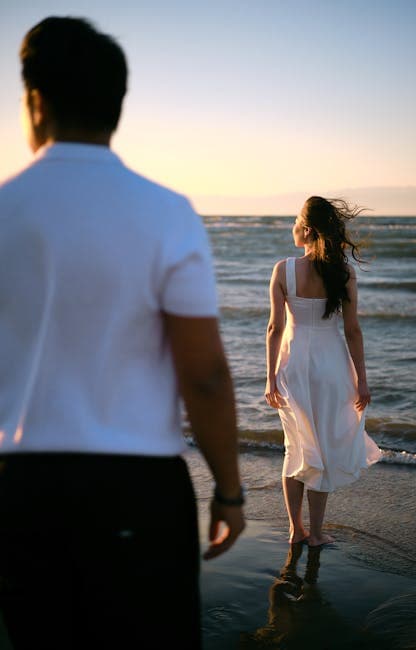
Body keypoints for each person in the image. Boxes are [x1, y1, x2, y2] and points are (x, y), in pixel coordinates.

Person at [0, 16, 245, 650]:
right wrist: (229, 489)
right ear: (117, 105)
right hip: (136, 492)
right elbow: (206, 374)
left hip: (19, 491)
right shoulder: (166, 212)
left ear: (35, 101)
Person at [264, 196, 381, 547]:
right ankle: (315, 534)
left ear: (307, 229)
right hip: (331, 367)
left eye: (295, 222)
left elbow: (274, 328)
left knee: (296, 446)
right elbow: (353, 330)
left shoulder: (282, 269)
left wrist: (269, 377)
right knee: (323, 447)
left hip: (294, 365)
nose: (292, 227)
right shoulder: (342, 273)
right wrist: (362, 380)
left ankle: (294, 530)